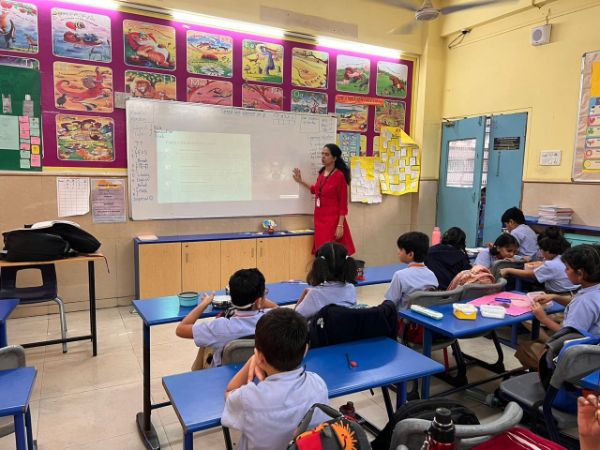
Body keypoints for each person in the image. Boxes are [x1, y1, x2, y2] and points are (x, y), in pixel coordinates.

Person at [221, 308, 328, 450]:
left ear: (260, 357)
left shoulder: (249, 398)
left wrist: (252, 360)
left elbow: (229, 392)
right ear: (305, 350)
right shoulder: (318, 384)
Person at [515, 244, 600, 368]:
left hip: (582, 360)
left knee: (526, 348)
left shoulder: (584, 302)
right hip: (594, 350)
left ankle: (550, 377)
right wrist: (555, 297)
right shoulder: (593, 291)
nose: (565, 271)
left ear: (580, 273)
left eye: (567, 268)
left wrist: (543, 318)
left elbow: (570, 336)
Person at [175, 268, 277, 370]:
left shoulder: (220, 327)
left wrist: (204, 304)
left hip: (222, 373)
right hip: (260, 370)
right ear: (259, 301)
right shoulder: (273, 321)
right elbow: (277, 310)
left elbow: (181, 329)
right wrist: (259, 301)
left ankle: (196, 374)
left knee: (205, 344)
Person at [293, 143, 355, 255]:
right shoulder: (322, 173)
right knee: (321, 251)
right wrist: (301, 181)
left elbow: (343, 204)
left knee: (331, 252)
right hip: (319, 219)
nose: (323, 157)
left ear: (334, 158)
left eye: (326, 154)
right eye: (322, 154)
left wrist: (340, 225)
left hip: (332, 221)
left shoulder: (339, 176)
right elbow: (315, 190)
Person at [500, 226, 580, 294]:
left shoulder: (551, 264)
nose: (541, 252)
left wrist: (508, 270)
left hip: (560, 295)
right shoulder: (566, 256)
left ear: (548, 250)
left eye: (541, 249)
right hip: (575, 291)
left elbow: (531, 275)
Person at [295, 241, 358, 320]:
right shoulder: (351, 289)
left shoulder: (315, 295)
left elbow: (294, 320)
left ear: (319, 265)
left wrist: (303, 296)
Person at [385, 231, 438, 310]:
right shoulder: (432, 275)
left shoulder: (400, 276)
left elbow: (390, 303)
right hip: (423, 315)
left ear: (410, 254)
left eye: (401, 249)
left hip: (402, 316)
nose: (398, 252)